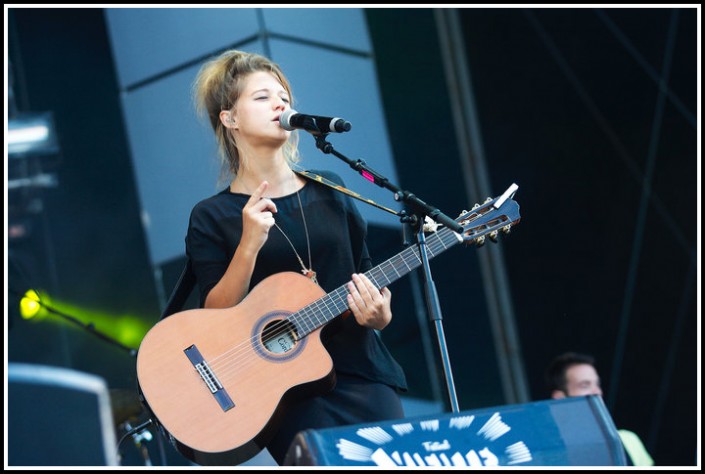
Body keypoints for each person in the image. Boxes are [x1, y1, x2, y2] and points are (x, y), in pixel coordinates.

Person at [185, 49, 408, 465]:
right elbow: (213, 315)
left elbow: (363, 276)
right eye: (262, 97)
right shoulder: (212, 216)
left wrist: (379, 315)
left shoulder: (333, 188)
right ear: (229, 118)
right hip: (287, 393)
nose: (281, 104)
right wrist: (249, 243)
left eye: (284, 96)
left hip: (361, 371)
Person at [545, 352, 654, 466]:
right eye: (585, 385)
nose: (597, 392)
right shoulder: (548, 452)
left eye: (597, 384)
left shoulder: (628, 440)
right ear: (560, 398)